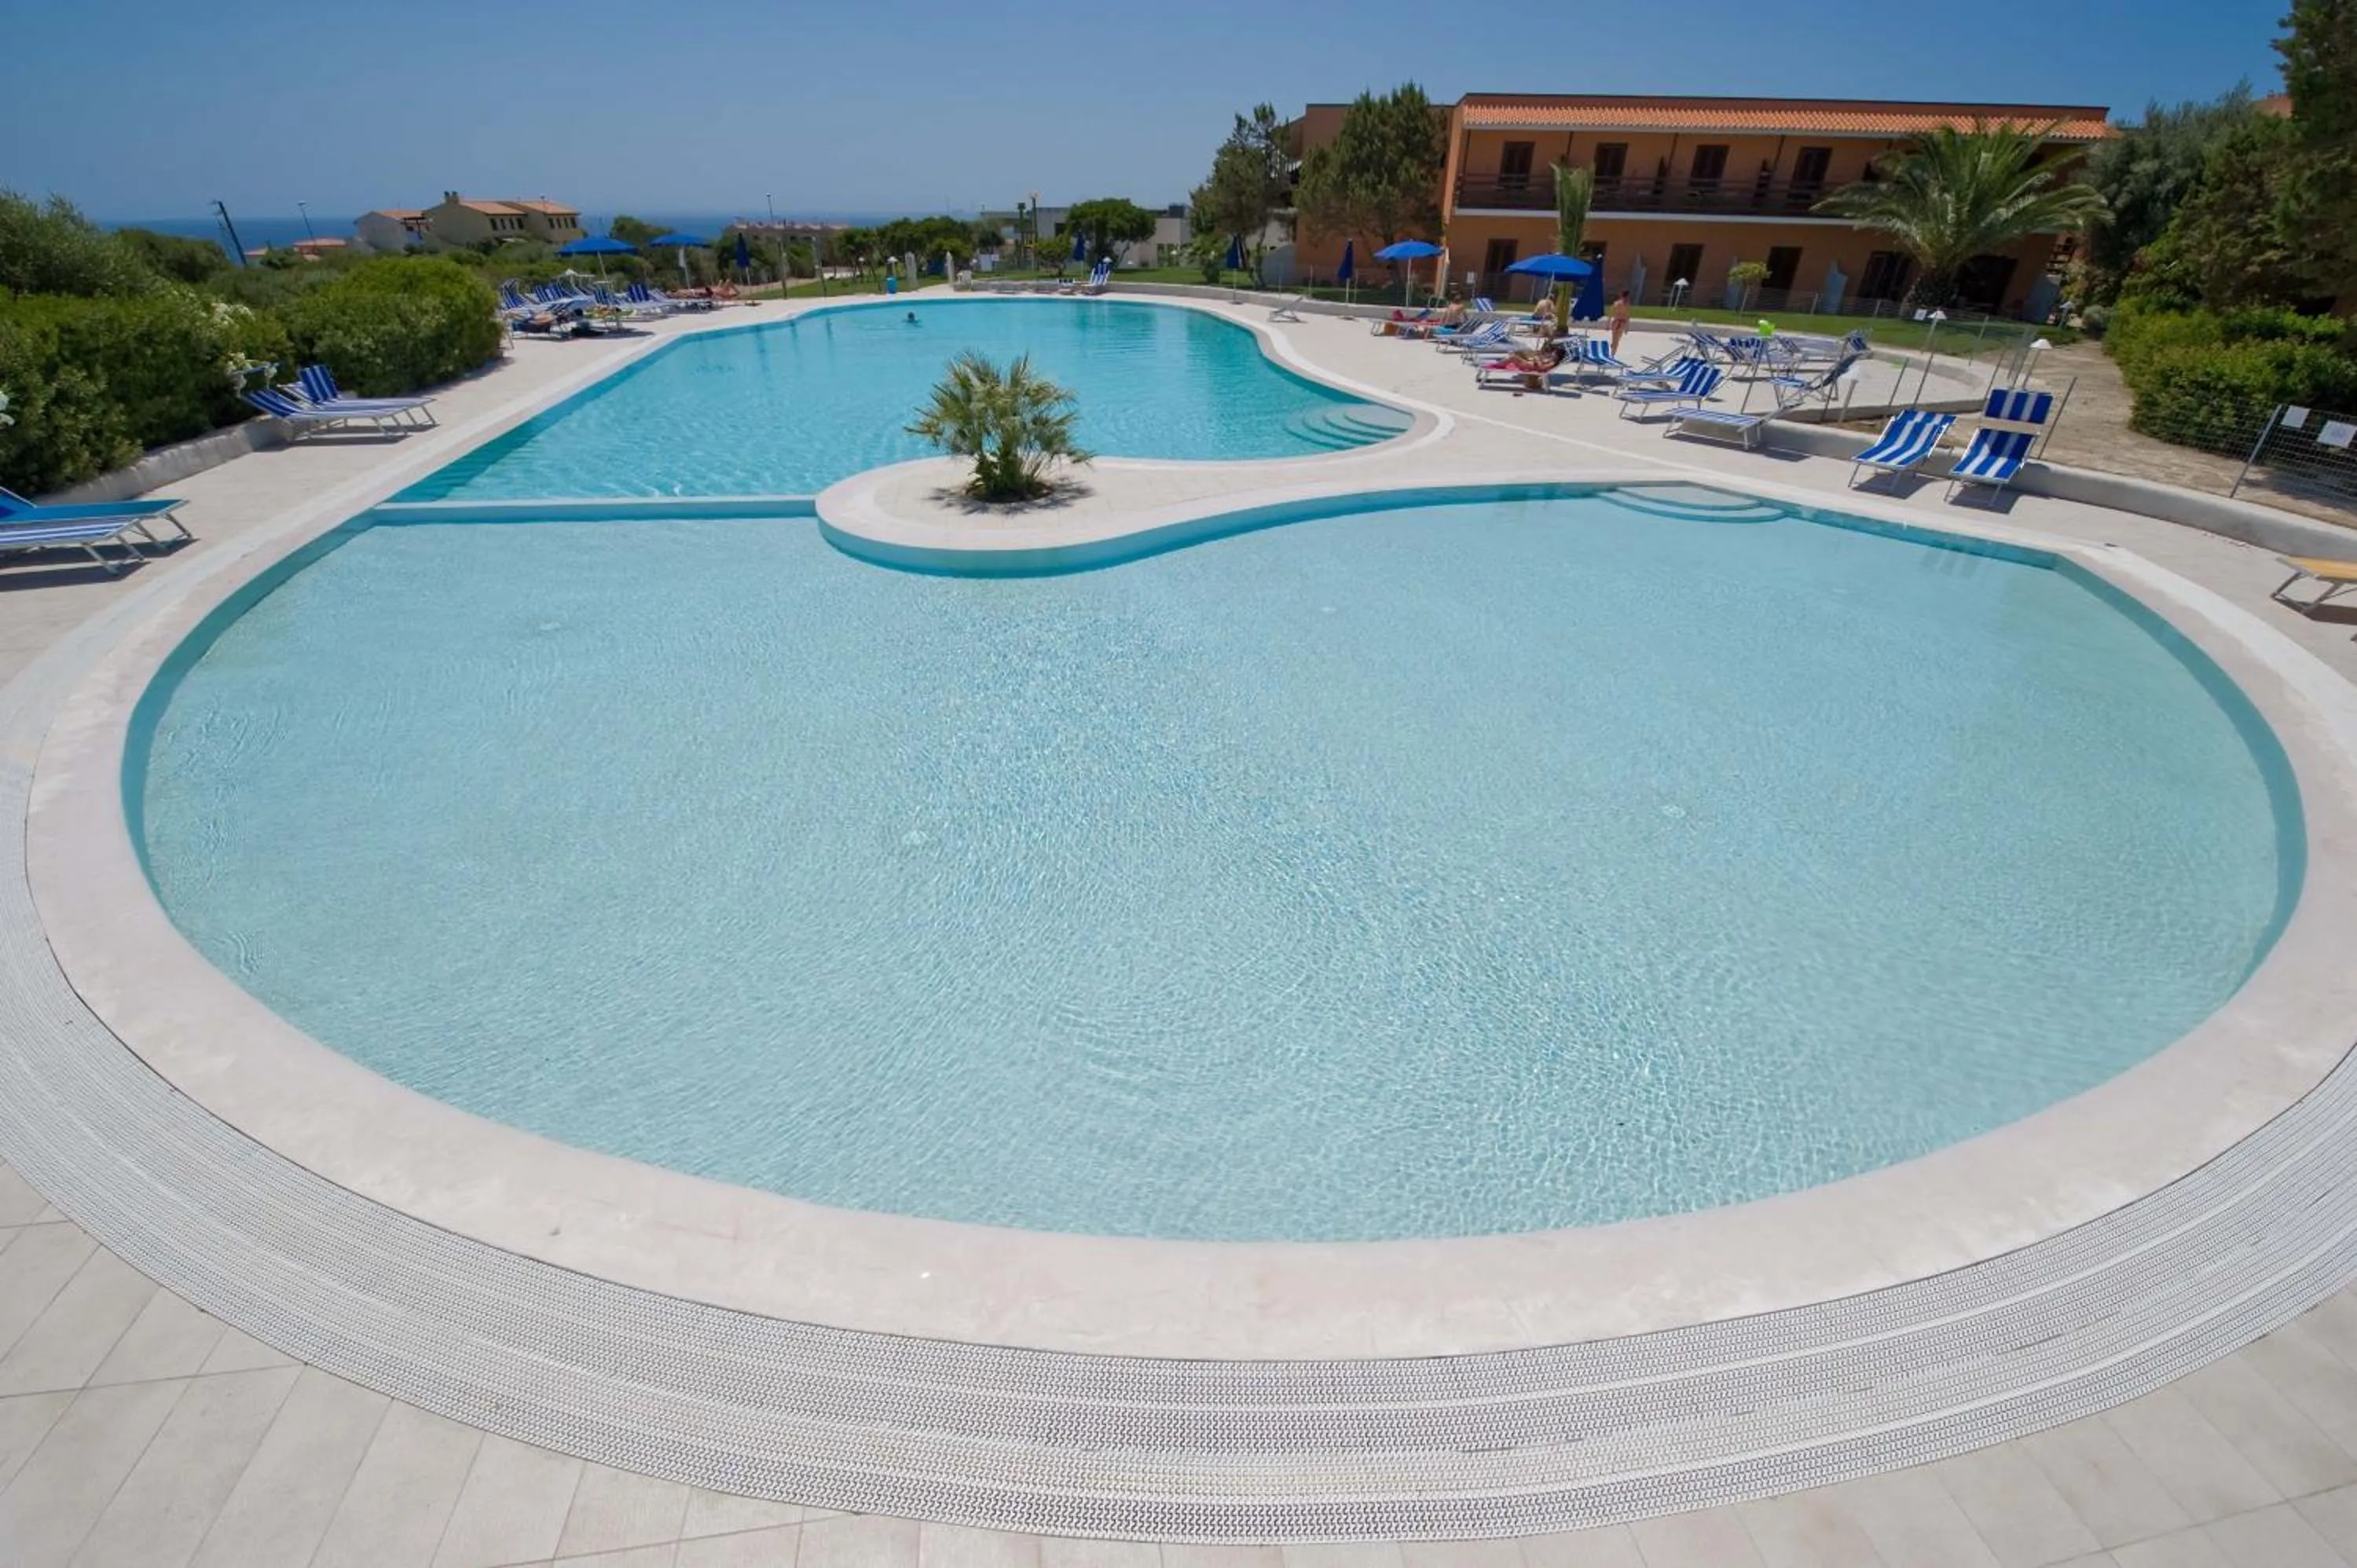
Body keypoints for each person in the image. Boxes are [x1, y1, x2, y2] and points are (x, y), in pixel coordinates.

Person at [1607, 291, 1632, 358]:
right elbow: (1611, 314)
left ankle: (1613, 349)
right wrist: (1608, 324)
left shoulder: (1626, 305)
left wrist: (1627, 327)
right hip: (1617, 322)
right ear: (1625, 297)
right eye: (1627, 297)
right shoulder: (1617, 304)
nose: (1628, 298)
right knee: (1616, 339)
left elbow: (1627, 316)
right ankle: (1613, 354)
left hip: (1621, 323)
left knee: (1617, 339)